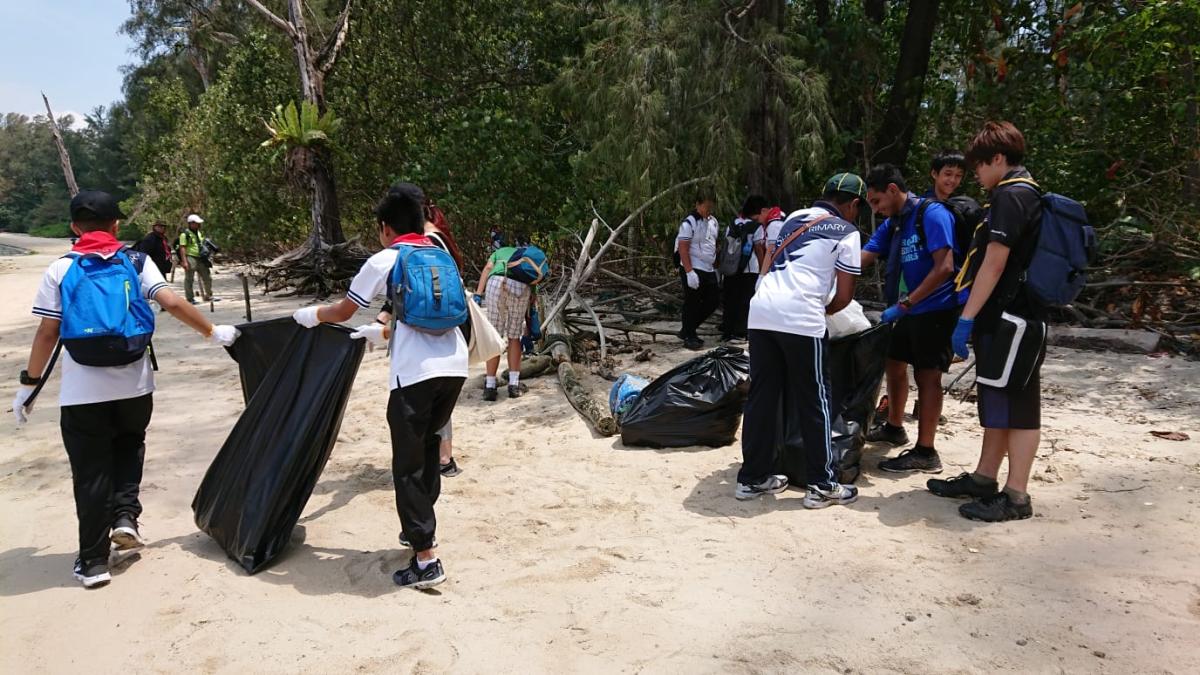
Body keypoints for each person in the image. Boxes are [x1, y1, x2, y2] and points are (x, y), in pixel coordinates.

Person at [11, 190, 240, 589]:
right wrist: (212, 331)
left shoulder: (60, 269)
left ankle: (94, 562)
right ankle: (124, 517)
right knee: (129, 446)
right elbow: (170, 302)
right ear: (117, 225)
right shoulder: (136, 261)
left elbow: (48, 333)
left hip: (83, 391)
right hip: (135, 385)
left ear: (73, 227)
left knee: (90, 472)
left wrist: (28, 386)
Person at [292, 181, 467, 588]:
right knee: (427, 447)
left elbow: (343, 310)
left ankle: (426, 559)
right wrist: (382, 332)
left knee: (406, 466)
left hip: (414, 374)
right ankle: (418, 528)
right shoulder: (440, 254)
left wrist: (310, 315)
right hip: (454, 366)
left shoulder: (386, 259)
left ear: (386, 227)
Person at [930, 121, 1047, 522]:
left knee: (1019, 406)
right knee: (998, 401)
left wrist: (966, 317)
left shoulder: (1012, 197)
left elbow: (994, 262)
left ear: (998, 159)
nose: (975, 174)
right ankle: (984, 478)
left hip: (1014, 317)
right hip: (1004, 317)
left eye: (979, 166)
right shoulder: (1012, 193)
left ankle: (1016, 497)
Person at [735, 173, 864, 508]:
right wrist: (821, 312)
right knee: (815, 399)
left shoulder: (793, 217)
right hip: (801, 316)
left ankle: (752, 479)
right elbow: (845, 295)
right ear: (853, 205)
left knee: (762, 396)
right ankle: (822, 484)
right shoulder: (848, 232)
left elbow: (773, 260)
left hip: (761, 310)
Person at [861, 164, 961, 473]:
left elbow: (945, 267)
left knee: (928, 376)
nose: (875, 209)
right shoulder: (894, 223)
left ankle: (926, 451)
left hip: (933, 309)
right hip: (904, 310)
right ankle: (894, 427)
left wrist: (908, 303)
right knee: (894, 365)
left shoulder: (932, 214)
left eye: (876, 201)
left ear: (892, 190)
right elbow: (864, 256)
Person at [474, 236, 533, 401]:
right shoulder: (523, 255)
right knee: (514, 336)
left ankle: (490, 386)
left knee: (494, 335)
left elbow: (487, 268)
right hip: (521, 287)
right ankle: (514, 385)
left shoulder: (498, 252)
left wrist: (478, 293)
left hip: (495, 284)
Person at [675, 194, 720, 350]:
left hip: (708, 268)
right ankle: (689, 335)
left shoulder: (713, 222)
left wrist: (715, 267)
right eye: (706, 207)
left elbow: (712, 245)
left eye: (711, 207)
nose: (709, 210)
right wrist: (689, 272)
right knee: (692, 301)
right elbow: (683, 247)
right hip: (692, 266)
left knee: (714, 300)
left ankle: (688, 328)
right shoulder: (689, 223)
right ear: (698, 205)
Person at [719, 195, 766, 342]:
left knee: (730, 300)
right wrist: (763, 271)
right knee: (746, 301)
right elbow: (759, 250)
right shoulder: (756, 227)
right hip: (749, 269)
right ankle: (740, 332)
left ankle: (727, 331)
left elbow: (725, 246)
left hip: (731, 268)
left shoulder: (732, 224)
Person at [178, 214, 212, 304]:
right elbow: (182, 248)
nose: (198, 225)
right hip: (190, 257)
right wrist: (184, 261)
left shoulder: (199, 233)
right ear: (191, 223)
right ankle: (190, 298)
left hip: (201, 258)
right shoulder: (184, 235)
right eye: (196, 223)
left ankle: (209, 295)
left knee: (207, 277)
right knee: (189, 279)